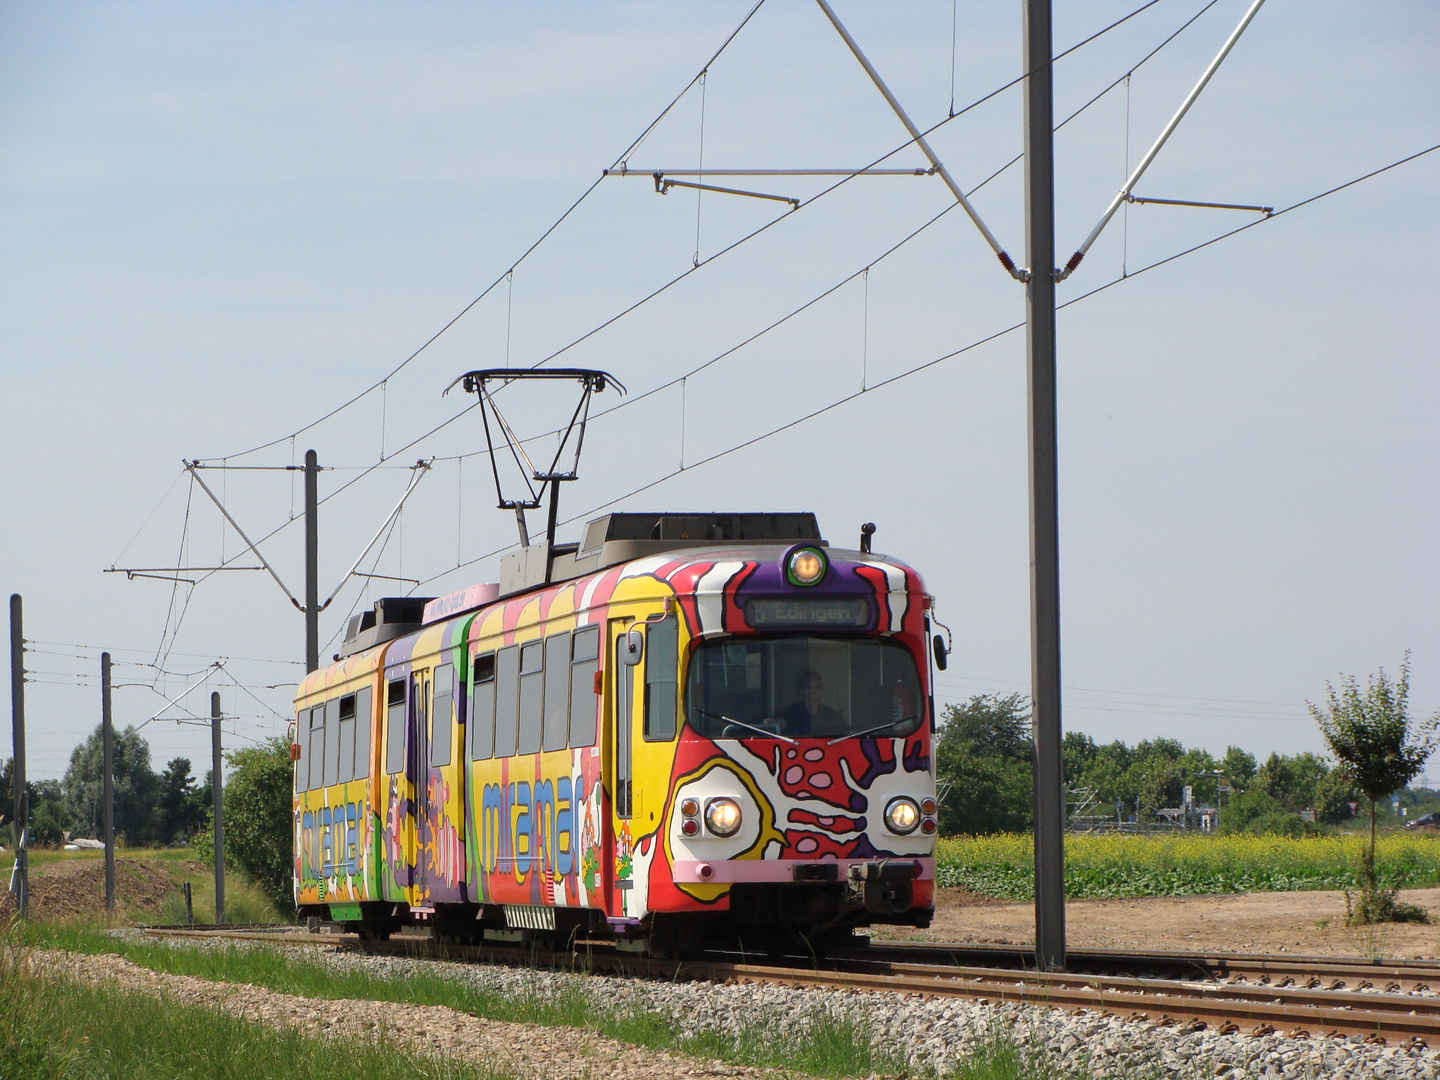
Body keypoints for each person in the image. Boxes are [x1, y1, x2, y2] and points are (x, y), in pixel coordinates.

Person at [779, 671, 844, 737]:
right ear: (801, 690)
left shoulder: (831, 715)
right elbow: (779, 726)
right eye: (809, 687)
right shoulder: (790, 713)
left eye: (817, 686)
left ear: (821, 690)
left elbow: (847, 731)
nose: (813, 690)